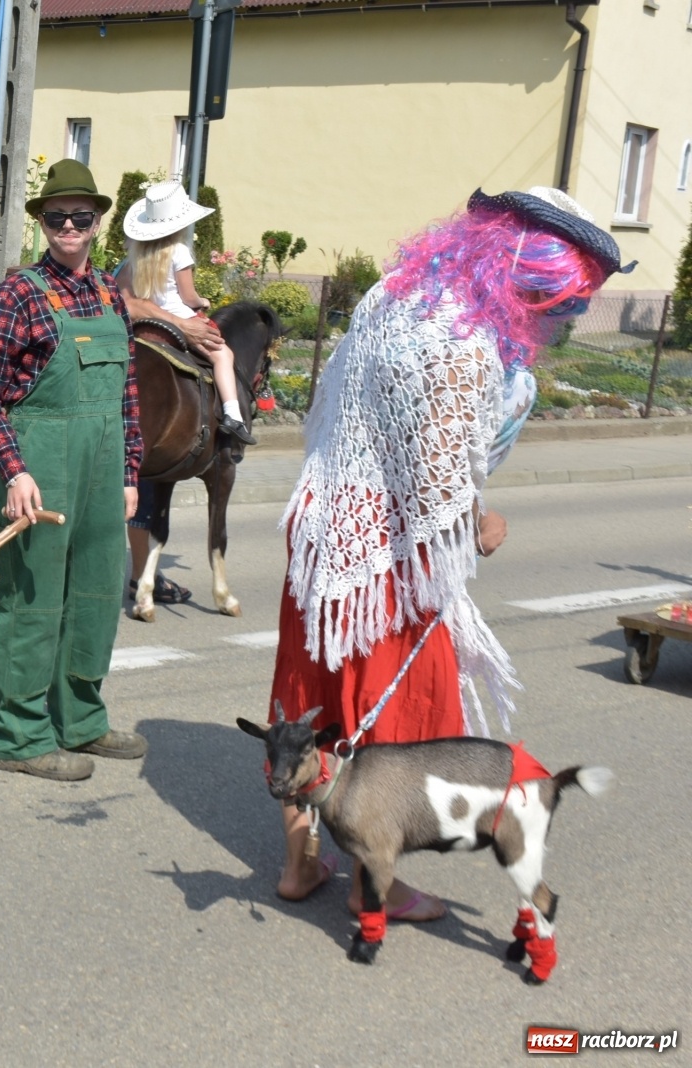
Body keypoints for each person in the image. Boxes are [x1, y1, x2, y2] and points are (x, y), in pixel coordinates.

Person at [267, 187, 632, 922]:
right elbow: (438, 478)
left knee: (309, 700)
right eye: (559, 304)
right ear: (535, 276)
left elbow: (331, 406)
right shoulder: (466, 342)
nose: (558, 320)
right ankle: (376, 884)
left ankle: (299, 865)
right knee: (392, 721)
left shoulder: (393, 294)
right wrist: (480, 522)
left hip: (326, 523)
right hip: (390, 561)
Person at [0, 158, 148, 781]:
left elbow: (127, 396)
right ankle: (18, 737)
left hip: (102, 474)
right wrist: (13, 471)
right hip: (36, 472)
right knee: (30, 603)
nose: (69, 226)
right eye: (57, 216)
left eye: (81, 217)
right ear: (42, 222)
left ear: (97, 223)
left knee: (96, 595)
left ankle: (81, 721)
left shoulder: (109, 295)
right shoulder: (16, 296)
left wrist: (129, 474)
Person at [115, 180, 254, 606]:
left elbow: (123, 295)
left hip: (144, 326)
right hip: (178, 320)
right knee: (224, 354)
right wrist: (201, 302)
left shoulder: (133, 257)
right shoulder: (179, 251)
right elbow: (189, 296)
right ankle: (233, 415)